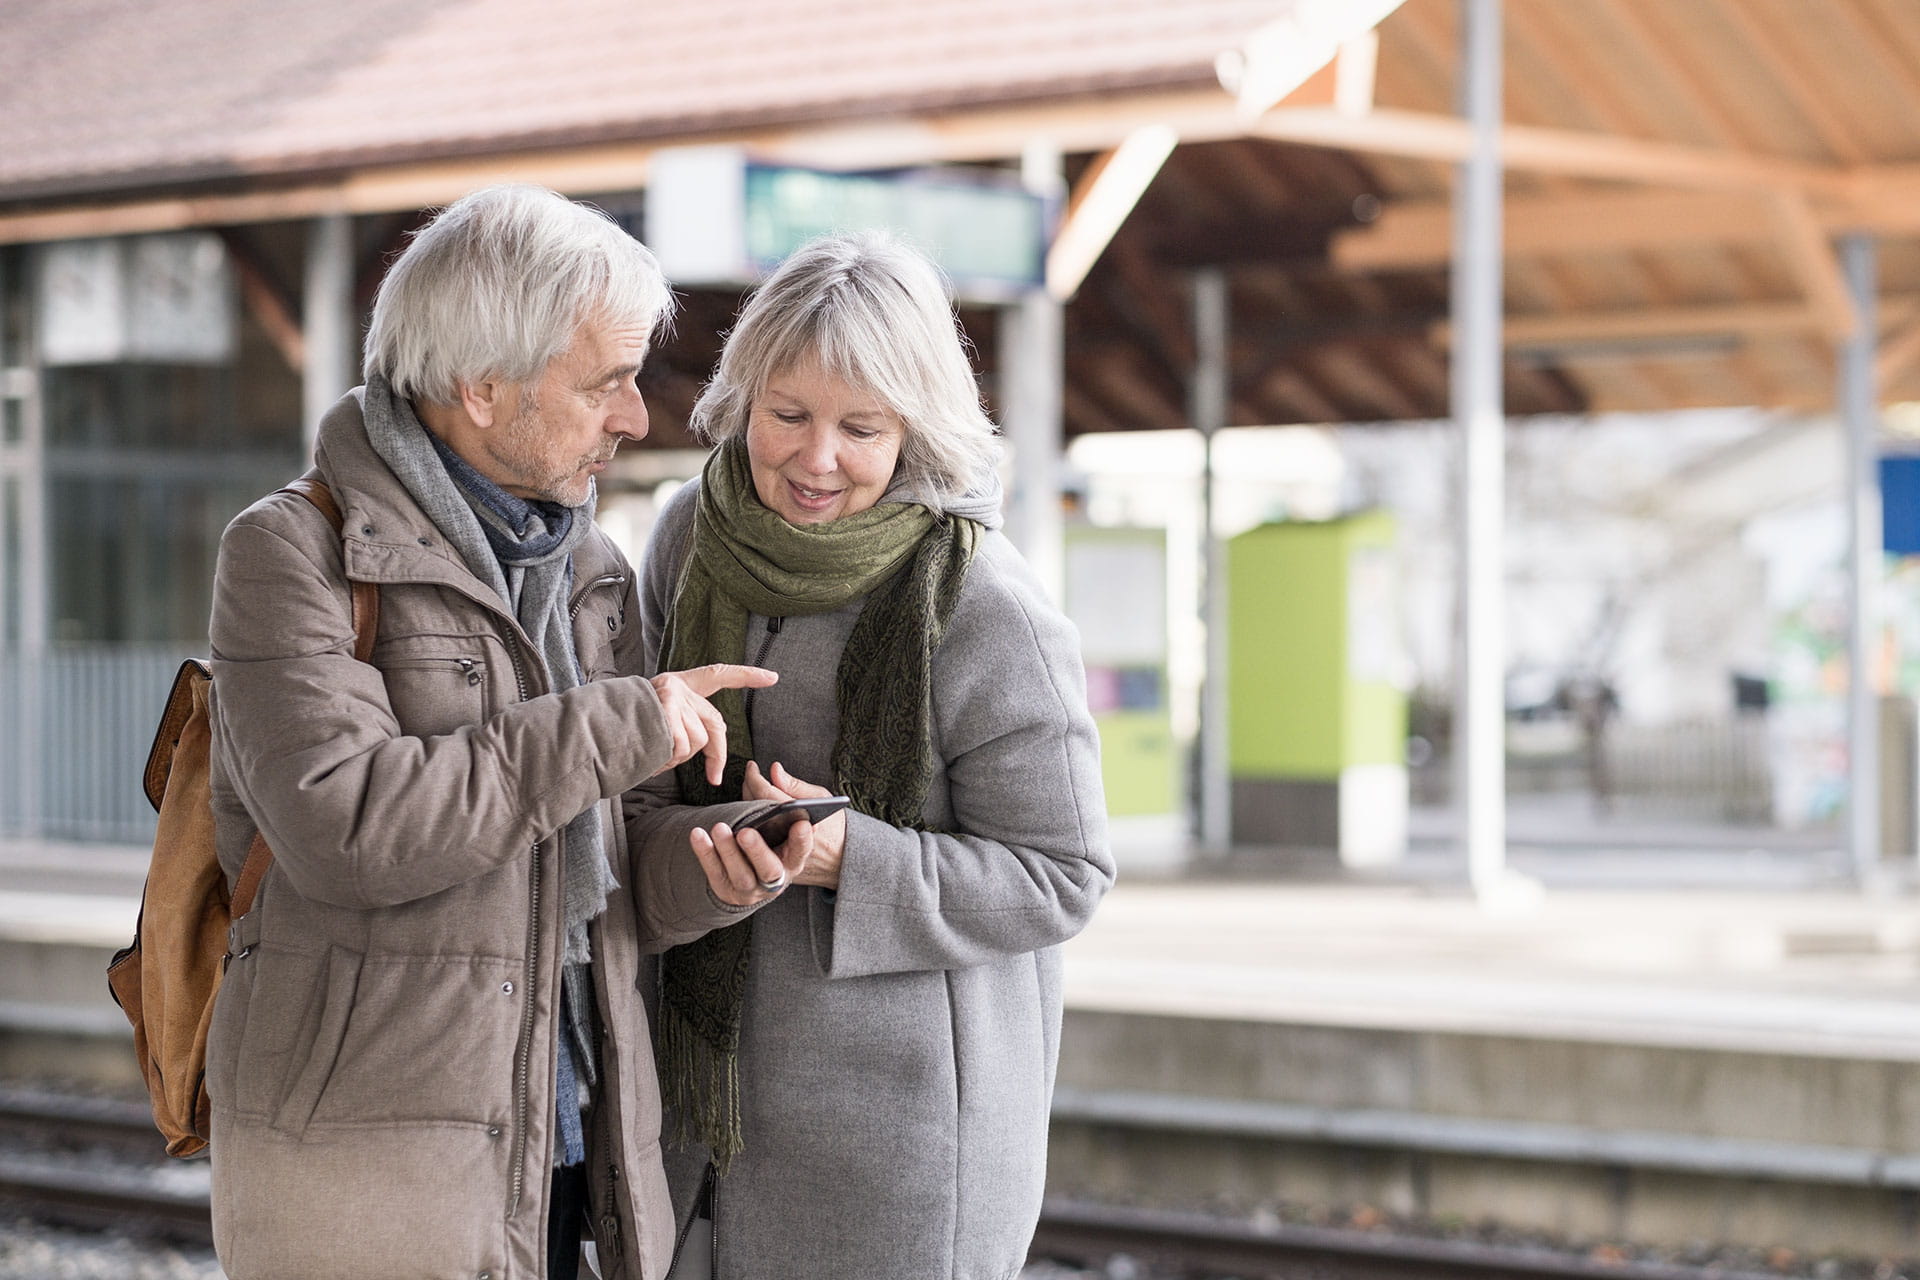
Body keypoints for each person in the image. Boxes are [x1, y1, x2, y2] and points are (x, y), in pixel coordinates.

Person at [202, 184, 809, 1280]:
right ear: (482, 387)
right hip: (370, 1185)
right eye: (605, 382)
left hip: (579, 1150)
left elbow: (605, 870)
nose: (633, 417)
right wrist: (618, 721)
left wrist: (719, 865)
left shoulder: (590, 568)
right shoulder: (291, 553)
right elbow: (350, 828)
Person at [628, 230, 1116, 1280]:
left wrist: (853, 857)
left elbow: (1065, 873)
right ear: (742, 397)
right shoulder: (686, 540)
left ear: (916, 430)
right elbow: (635, 787)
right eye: (788, 415)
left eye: (862, 427)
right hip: (694, 1120)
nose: (815, 458)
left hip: (899, 1143)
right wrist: (704, 845)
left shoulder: (985, 605)